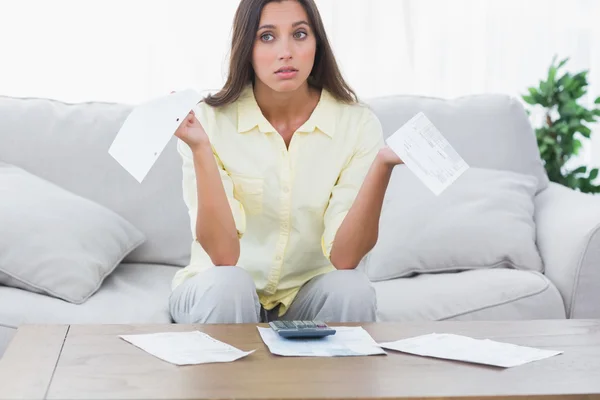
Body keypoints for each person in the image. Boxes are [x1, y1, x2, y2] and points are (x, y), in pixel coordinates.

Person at [169, 0, 403, 325]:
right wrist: (200, 148)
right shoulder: (207, 121)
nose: (286, 52)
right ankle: (226, 378)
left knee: (353, 288)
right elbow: (223, 256)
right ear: (245, 46)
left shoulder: (357, 124)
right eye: (267, 37)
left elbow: (346, 258)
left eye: (300, 34)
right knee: (228, 284)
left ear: (317, 44)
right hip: (218, 290)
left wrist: (383, 165)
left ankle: (336, 376)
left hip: (304, 295)